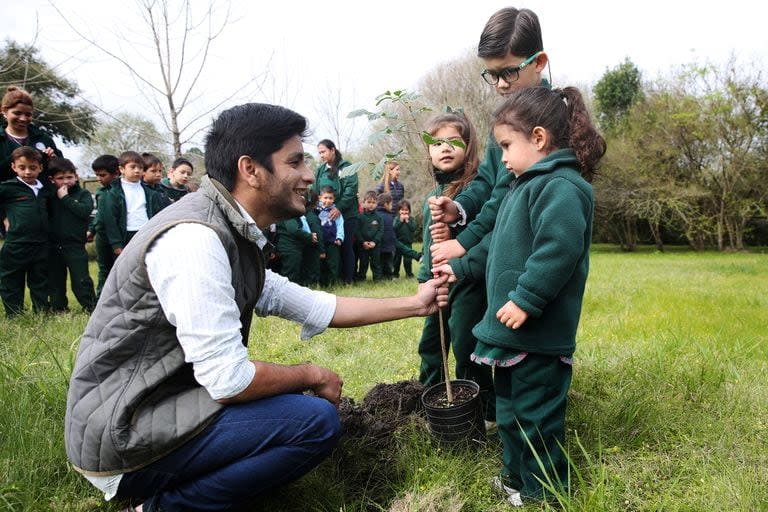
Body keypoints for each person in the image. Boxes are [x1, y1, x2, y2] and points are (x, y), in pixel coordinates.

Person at [64, 102, 448, 512]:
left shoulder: (231, 230)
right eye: (295, 161)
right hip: (124, 434)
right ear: (251, 170)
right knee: (313, 422)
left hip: (158, 410)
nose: (308, 174)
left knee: (296, 408)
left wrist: (415, 303)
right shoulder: (195, 239)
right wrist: (312, 373)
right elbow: (228, 379)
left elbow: (314, 305)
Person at [435, 86, 606, 506]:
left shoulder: (563, 187)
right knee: (510, 413)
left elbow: (558, 249)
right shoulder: (519, 186)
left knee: (537, 417)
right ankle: (516, 478)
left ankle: (546, 491)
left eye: (508, 146)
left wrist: (527, 298)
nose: (504, 157)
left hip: (539, 335)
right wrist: (457, 268)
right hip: (510, 335)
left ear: (540, 138)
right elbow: (496, 249)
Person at [429, 7, 549, 266]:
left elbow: (504, 194)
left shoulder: (552, 121)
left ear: (538, 62)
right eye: (492, 75)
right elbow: (487, 180)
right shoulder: (503, 118)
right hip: (498, 260)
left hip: (532, 260)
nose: (501, 85)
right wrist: (460, 207)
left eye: (509, 72)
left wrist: (463, 243)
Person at [415, 112, 495, 428]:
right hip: (438, 285)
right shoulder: (432, 198)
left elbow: (484, 235)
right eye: (436, 142)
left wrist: (456, 244)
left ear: (469, 147)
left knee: (466, 343)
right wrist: (425, 283)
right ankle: (429, 400)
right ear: (428, 151)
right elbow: (427, 249)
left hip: (467, 281)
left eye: (453, 141)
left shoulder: (477, 190)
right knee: (431, 344)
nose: (444, 148)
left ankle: (484, 411)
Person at [0, 146, 51, 316]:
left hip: (41, 244)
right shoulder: (8, 188)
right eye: (22, 168)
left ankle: (42, 313)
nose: (27, 172)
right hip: (16, 243)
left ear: (40, 168)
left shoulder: (45, 189)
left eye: (33, 167)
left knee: (40, 280)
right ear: (14, 167)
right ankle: (14, 314)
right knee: (12, 280)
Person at [46, 157, 97, 312]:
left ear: (76, 176)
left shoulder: (83, 195)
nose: (65, 181)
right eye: (60, 178)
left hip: (75, 245)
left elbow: (84, 211)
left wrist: (66, 199)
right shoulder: (49, 196)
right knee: (56, 280)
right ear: (52, 179)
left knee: (81, 280)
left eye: (69, 177)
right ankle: (58, 308)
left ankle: (90, 307)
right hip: (53, 246)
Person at [98, 150, 162, 256]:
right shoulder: (113, 193)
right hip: (126, 235)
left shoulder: (150, 193)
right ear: (122, 169)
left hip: (146, 233)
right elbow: (110, 220)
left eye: (140, 168)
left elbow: (157, 215)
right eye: (132, 167)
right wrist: (116, 244)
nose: (137, 171)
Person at [313, 139, 358, 284]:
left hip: (347, 214)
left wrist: (339, 208)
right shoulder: (320, 170)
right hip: (325, 217)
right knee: (330, 246)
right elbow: (315, 191)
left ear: (332, 150)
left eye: (323, 151)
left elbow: (351, 189)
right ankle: (333, 278)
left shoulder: (347, 167)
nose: (321, 155)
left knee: (346, 246)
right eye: (319, 152)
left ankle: (348, 279)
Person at [0, 86, 62, 182]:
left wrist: (53, 160)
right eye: (17, 113)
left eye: (28, 114)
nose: (23, 118)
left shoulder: (44, 139)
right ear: (4, 111)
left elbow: (63, 172)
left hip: (42, 196)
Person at [88, 155, 120, 296]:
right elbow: (100, 215)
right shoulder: (101, 192)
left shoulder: (118, 192)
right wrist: (92, 230)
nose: (99, 179)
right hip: (102, 236)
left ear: (116, 173)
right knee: (104, 269)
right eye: (97, 175)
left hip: (117, 235)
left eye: (103, 175)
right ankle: (100, 299)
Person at [317, 185, 344, 286]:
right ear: (320, 198)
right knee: (320, 263)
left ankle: (332, 283)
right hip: (320, 242)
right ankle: (322, 283)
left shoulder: (335, 211)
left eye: (330, 198)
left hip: (333, 242)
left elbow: (340, 225)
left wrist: (339, 237)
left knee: (333, 263)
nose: (327, 200)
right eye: (325, 198)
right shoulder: (316, 210)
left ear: (334, 199)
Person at [355, 190, 382, 281]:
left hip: (375, 245)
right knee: (363, 262)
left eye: (374, 202)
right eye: (369, 202)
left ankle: (377, 279)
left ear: (377, 204)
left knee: (376, 263)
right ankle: (361, 278)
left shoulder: (379, 218)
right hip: (363, 245)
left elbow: (380, 231)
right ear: (364, 203)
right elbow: (357, 231)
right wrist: (363, 242)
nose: (371, 204)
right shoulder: (360, 217)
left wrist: (375, 242)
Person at [300, 191, 324, 288]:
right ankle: (313, 287)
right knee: (313, 269)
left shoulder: (303, 214)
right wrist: (322, 250)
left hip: (304, 247)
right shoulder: (312, 217)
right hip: (313, 248)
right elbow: (318, 234)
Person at [392, 199, 420, 278]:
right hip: (398, 243)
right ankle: (395, 274)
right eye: (402, 210)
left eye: (406, 210)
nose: (404, 212)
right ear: (398, 211)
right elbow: (394, 228)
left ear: (409, 211)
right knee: (396, 260)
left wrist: (407, 221)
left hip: (408, 242)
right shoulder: (397, 219)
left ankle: (409, 274)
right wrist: (401, 221)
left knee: (408, 260)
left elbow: (413, 228)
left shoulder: (411, 219)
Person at [375, 192, 396, 280]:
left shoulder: (375, 214)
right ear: (385, 204)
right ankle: (389, 277)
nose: (392, 206)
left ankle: (379, 277)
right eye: (391, 204)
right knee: (388, 262)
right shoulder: (389, 216)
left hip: (378, 245)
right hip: (388, 244)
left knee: (379, 262)